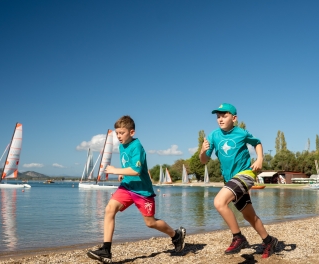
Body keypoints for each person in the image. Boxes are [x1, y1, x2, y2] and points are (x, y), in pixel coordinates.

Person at [87, 115, 186, 263]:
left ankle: (176, 235)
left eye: (122, 133)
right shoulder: (121, 146)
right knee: (109, 209)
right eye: (117, 133)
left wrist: (116, 170)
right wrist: (122, 175)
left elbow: (136, 170)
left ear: (131, 132)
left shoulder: (137, 146)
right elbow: (129, 167)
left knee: (150, 223)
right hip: (127, 187)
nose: (119, 136)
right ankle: (106, 250)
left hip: (142, 191)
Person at [199, 103, 278, 258]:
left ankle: (238, 237)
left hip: (246, 175)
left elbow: (258, 143)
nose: (220, 119)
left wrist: (260, 159)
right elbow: (203, 160)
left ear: (234, 118)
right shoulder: (214, 136)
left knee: (219, 202)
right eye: (218, 116)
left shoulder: (241, 133)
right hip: (230, 180)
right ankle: (269, 241)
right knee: (249, 215)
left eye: (224, 115)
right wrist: (202, 150)